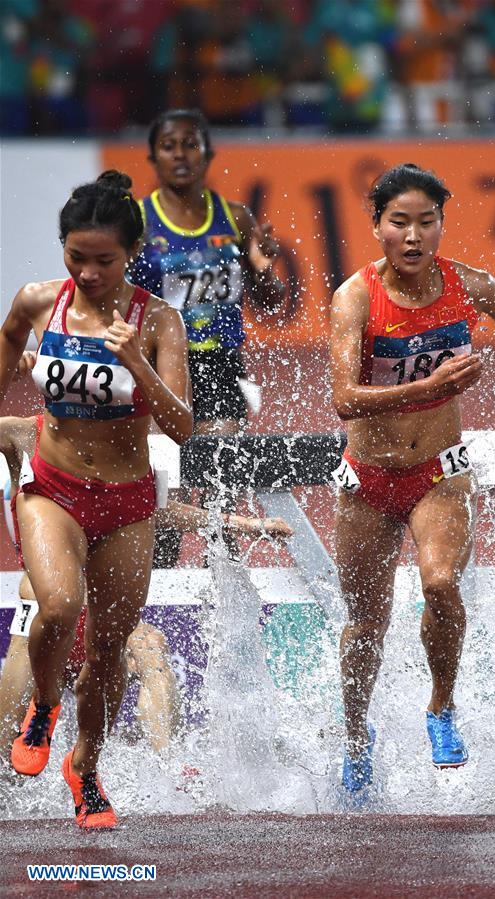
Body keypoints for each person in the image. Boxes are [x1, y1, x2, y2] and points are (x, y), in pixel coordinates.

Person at [329, 163, 495, 792]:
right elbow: (343, 398)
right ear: (378, 227)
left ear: (443, 225)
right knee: (367, 622)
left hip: (439, 473)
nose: (414, 237)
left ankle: (441, 706)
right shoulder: (356, 297)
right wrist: (430, 385)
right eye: (400, 223)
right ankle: (355, 734)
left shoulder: (468, 285)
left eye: (427, 222)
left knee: (442, 582)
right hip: (366, 477)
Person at [0, 170, 193, 829]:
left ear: (131, 254)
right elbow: (9, 337)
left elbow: (182, 426)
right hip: (52, 489)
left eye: (103, 260)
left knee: (108, 653)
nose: (86, 272)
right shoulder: (37, 301)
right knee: (58, 603)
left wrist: (138, 362)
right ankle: (45, 706)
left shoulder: (159, 320)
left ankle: (84, 766)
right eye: (74, 256)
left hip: (127, 503)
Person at [0, 413, 293, 769]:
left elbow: (154, 509)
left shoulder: (119, 448)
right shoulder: (23, 434)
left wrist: (243, 524)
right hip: (41, 618)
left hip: (98, 615)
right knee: (5, 756)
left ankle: (168, 769)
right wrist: (11, 362)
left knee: (151, 648)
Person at [130, 107, 286, 436]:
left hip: (221, 364)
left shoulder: (236, 218)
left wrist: (263, 271)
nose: (180, 154)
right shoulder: (138, 221)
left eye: (190, 144)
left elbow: (270, 303)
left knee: (220, 473)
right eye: (168, 146)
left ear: (208, 153)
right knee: (171, 479)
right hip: (157, 362)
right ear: (154, 158)